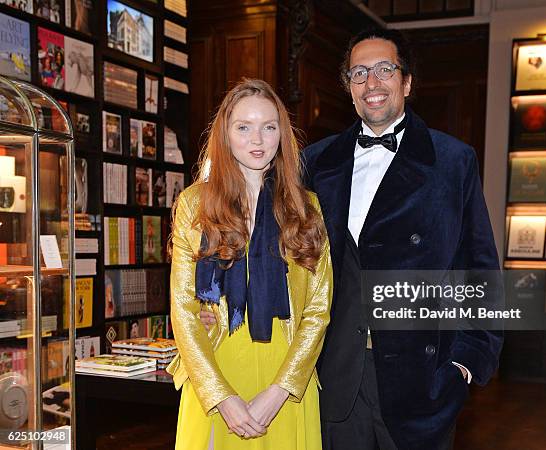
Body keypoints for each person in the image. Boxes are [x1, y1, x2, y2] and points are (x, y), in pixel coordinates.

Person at [301, 29, 503, 450]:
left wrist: (466, 361)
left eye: (384, 69)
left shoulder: (452, 161)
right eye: (359, 73)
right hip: (336, 377)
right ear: (348, 87)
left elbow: (479, 266)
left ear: (406, 83)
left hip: (421, 382)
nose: (371, 83)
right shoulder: (316, 163)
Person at [167, 78, 332, 450]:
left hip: (287, 375)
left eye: (268, 127)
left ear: (281, 135)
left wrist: (280, 391)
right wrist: (221, 396)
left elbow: (318, 311)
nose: (257, 139)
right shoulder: (195, 204)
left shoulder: (308, 208)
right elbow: (183, 308)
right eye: (243, 127)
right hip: (217, 370)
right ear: (225, 134)